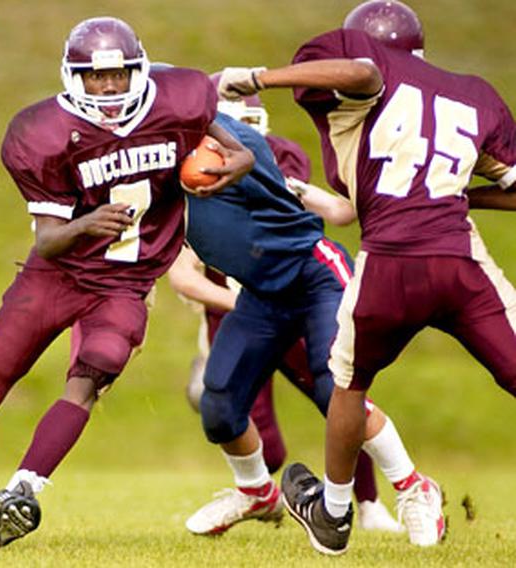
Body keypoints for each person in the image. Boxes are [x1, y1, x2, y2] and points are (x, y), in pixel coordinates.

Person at [0, 16, 255, 548]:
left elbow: (214, 130)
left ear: (138, 69)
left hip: (125, 283)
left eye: (119, 74)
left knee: (97, 367)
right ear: (73, 78)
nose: (109, 87)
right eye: (96, 78)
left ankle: (23, 490)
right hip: (57, 273)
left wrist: (242, 156)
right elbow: (49, 239)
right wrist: (86, 224)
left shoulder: (178, 98)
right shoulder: (42, 133)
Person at [218, 0, 516, 555]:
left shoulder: (366, 72)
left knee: (349, 383)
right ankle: (381, 497)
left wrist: (257, 78)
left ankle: (333, 513)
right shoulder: (474, 92)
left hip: (392, 260)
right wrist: (454, 195)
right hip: (459, 259)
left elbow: (364, 74)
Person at [175, 109, 429, 544]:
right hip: (261, 295)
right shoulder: (170, 179)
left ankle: (412, 488)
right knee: (217, 403)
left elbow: (340, 208)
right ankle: (256, 492)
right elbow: (176, 265)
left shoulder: (252, 152)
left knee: (337, 389)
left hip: (314, 276)